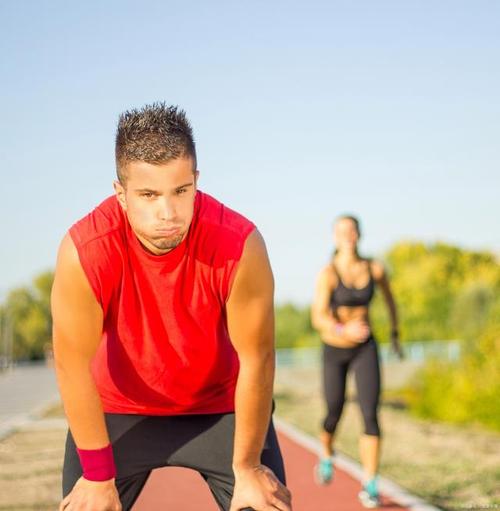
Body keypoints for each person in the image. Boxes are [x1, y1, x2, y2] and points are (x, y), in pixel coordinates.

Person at [51, 103, 292, 511]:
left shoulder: (239, 243)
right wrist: (96, 477)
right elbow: (71, 363)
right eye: (148, 194)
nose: (168, 213)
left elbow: (258, 357)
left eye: (182, 191)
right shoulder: (86, 250)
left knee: (264, 504)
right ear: (121, 194)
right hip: (119, 410)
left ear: (196, 180)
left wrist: (248, 466)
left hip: (221, 407)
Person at [310, 215, 402, 508]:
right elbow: (318, 317)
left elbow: (390, 300)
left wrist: (395, 333)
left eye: (352, 230)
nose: (348, 235)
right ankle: (327, 453)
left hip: (366, 348)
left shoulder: (374, 268)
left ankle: (370, 483)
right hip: (335, 349)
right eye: (342, 231)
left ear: (359, 234)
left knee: (370, 414)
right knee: (333, 412)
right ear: (334, 237)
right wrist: (342, 329)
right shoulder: (328, 273)